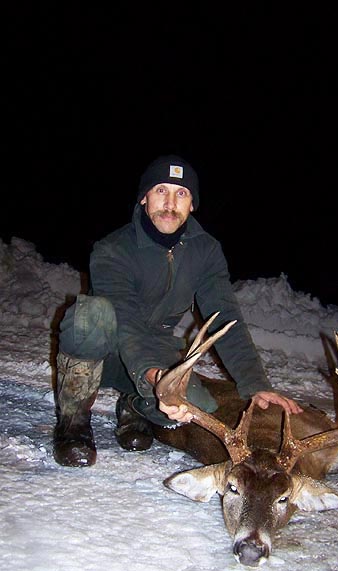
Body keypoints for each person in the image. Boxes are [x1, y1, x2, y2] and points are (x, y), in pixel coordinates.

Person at [54, 154, 302, 467]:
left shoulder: (206, 250)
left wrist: (256, 383)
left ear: (192, 204)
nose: (170, 204)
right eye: (161, 190)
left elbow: (225, 318)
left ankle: (133, 404)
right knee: (90, 315)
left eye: (181, 193)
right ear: (144, 197)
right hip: (106, 352)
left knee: (192, 409)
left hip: (156, 345)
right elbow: (126, 320)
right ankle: (73, 423)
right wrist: (153, 375)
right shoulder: (112, 249)